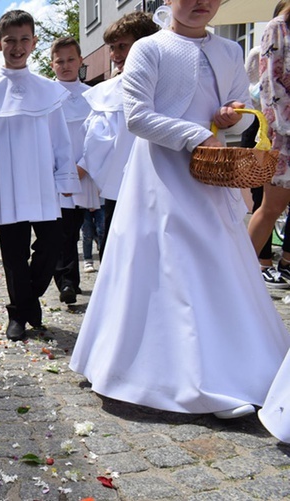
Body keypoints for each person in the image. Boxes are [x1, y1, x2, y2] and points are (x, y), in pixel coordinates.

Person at [70, 0, 290, 419]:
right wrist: (193, 134)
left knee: (216, 261)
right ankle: (168, 371)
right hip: (161, 174)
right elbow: (137, 116)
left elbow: (244, 114)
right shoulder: (149, 48)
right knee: (168, 262)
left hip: (210, 177)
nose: (200, 4)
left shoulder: (229, 51)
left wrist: (230, 120)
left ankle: (231, 366)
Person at [0, 10, 79, 342]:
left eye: (24, 39)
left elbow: (61, 141)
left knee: (53, 245)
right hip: (6, 185)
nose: (17, 46)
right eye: (10, 40)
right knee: (14, 255)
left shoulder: (48, 92)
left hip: (42, 184)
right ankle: (20, 315)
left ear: (34, 42)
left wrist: (66, 181)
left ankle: (25, 305)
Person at [82, 12, 159, 258]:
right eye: (112, 48)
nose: (115, 55)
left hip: (161, 180)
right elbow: (95, 142)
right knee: (117, 250)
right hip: (122, 184)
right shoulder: (109, 91)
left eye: (123, 46)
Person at [50, 36, 97, 305]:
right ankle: (67, 281)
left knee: (84, 225)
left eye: (71, 60)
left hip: (86, 170)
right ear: (52, 64)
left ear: (80, 61)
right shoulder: (46, 95)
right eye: (60, 61)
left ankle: (72, 278)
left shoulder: (91, 95)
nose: (66, 66)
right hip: (58, 172)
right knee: (63, 229)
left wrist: (85, 165)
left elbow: (98, 136)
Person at [248, 0, 290, 287]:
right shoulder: (278, 28)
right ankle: (241, 277)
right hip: (284, 134)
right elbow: (269, 86)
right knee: (271, 207)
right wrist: (280, 129)